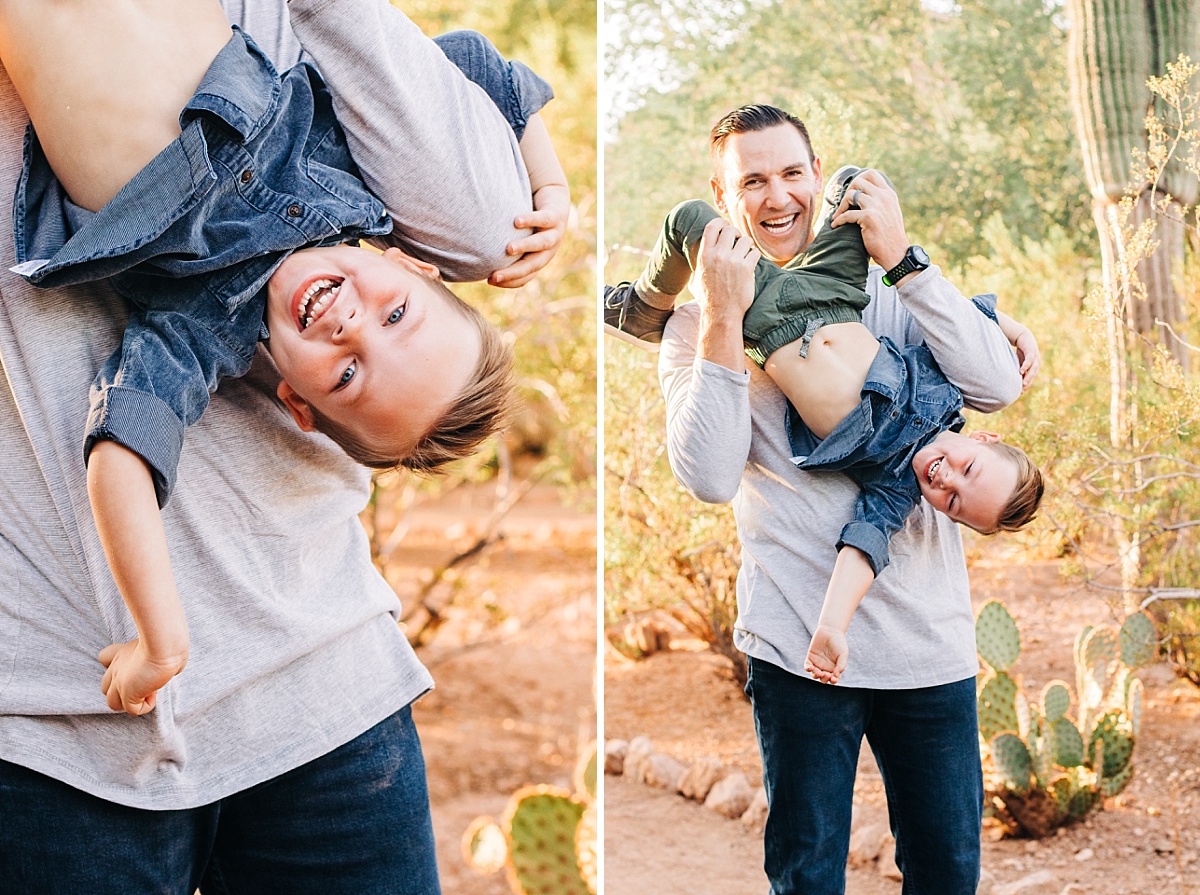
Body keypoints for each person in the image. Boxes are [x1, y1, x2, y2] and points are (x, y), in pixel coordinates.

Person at [0, 1, 556, 891]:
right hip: (45, 730)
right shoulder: (342, 157)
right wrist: (553, 184)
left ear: (295, 400)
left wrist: (160, 635)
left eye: (347, 377)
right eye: (397, 311)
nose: (349, 325)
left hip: (322, 708)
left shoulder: (198, 321)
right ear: (406, 266)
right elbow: (479, 69)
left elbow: (122, 455)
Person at [653, 103, 1031, 892]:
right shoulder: (693, 326)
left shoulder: (880, 284)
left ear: (819, 178)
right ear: (720, 195)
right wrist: (726, 318)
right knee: (807, 872)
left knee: (945, 870)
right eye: (751, 180)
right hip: (796, 646)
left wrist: (907, 260)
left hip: (928, 650)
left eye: (792, 173)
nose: (776, 195)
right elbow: (708, 476)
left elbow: (993, 383)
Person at [607, 173, 1043, 684]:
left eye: (951, 503)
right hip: (837, 293)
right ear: (983, 438)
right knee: (858, 181)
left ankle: (642, 311)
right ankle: (647, 298)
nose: (947, 481)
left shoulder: (895, 486)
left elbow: (863, 550)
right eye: (969, 468)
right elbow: (957, 325)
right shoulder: (943, 391)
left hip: (768, 318)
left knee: (688, 219)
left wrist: (832, 626)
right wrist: (1011, 327)